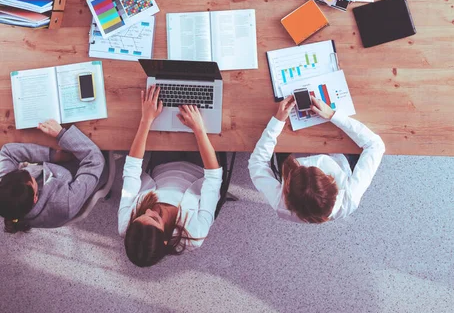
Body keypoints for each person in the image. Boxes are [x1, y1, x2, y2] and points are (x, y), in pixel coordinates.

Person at [118, 86, 223, 267]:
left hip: (162, 165)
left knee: (169, 107)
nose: (149, 210)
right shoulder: (194, 234)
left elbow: (132, 171)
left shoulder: (125, 225)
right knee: (210, 112)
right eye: (154, 218)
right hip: (201, 168)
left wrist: (146, 119)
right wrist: (198, 128)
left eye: (141, 215)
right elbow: (213, 179)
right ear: (165, 238)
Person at [248, 95, 385, 223]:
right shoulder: (350, 198)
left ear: (287, 191)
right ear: (335, 188)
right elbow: (375, 145)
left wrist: (278, 121)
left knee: (282, 151)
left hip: (296, 158)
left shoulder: (280, 203)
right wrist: (333, 115)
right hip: (338, 160)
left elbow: (257, 164)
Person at [0, 120, 105, 232]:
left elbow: (7, 152)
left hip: (61, 164)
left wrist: (52, 156)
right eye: (31, 178)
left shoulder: (6, 187)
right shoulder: (65, 203)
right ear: (35, 197)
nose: (28, 172)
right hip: (87, 171)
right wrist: (62, 134)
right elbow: (95, 161)